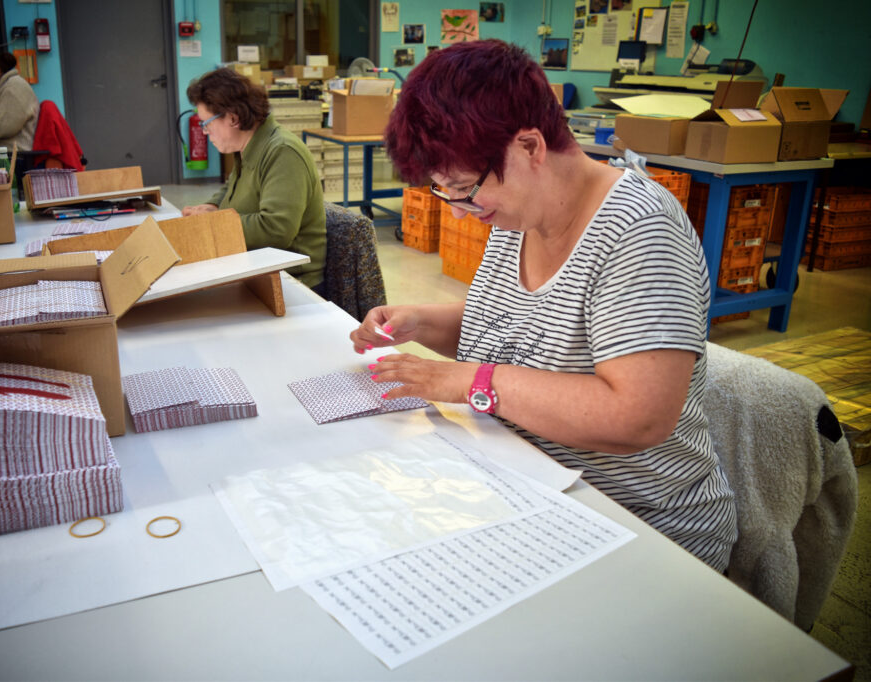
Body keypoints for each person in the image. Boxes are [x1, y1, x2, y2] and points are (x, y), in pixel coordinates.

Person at [352, 40, 737, 572]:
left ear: (530, 146)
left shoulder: (638, 230)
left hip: (636, 523)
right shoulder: (520, 213)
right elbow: (511, 327)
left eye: (464, 190)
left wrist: (465, 382)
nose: (461, 213)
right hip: (527, 479)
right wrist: (420, 321)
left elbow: (638, 418)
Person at [181, 67, 326, 292]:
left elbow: (275, 229)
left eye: (206, 124)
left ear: (232, 118)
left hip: (291, 283)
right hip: (255, 269)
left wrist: (215, 223)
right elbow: (233, 187)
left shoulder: (282, 153)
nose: (205, 132)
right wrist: (213, 205)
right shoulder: (248, 146)